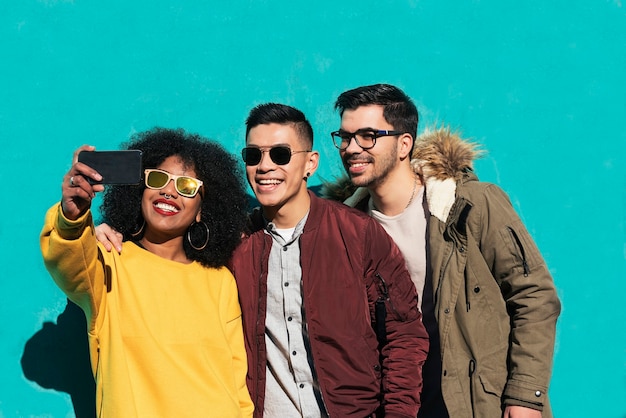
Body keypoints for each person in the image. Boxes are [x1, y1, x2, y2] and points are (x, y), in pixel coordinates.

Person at [324, 84, 561, 418]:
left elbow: (535, 297)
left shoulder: (470, 206)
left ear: (404, 143)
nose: (351, 148)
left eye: (367, 136)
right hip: (398, 403)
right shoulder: (344, 227)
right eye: (345, 137)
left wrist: (525, 396)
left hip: (473, 403)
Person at [231, 103, 429, 418]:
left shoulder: (358, 234)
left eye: (280, 154)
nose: (264, 166)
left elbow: (403, 332)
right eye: (253, 156)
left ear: (310, 164)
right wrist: (122, 229)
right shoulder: (236, 245)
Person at [40, 128, 254, 417]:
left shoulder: (219, 281)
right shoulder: (109, 262)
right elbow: (66, 261)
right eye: (158, 178)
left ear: (203, 208)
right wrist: (73, 218)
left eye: (187, 186)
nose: (169, 191)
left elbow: (236, 384)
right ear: (140, 192)